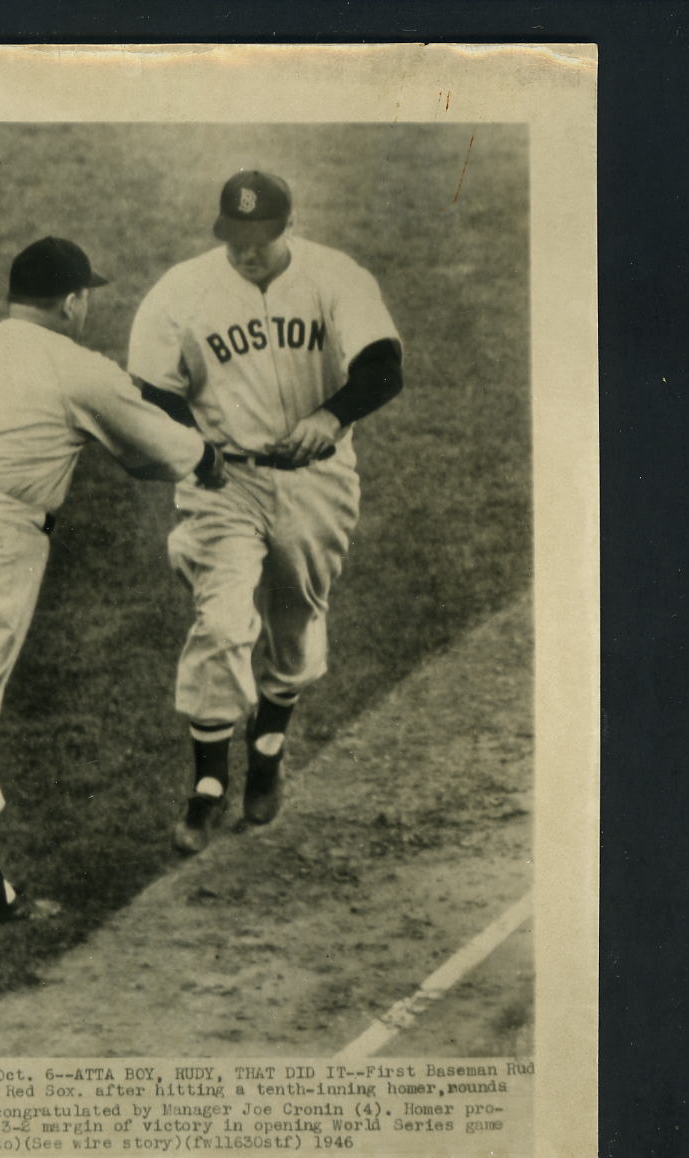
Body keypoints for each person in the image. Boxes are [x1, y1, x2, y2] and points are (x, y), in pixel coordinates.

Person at [0, 236, 226, 975]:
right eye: (85, 294)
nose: (86, 304)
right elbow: (155, 446)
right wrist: (207, 458)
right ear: (70, 301)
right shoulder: (73, 364)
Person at [127, 170, 403, 854]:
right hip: (225, 484)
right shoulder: (180, 292)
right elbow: (147, 391)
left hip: (318, 479)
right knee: (220, 621)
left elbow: (384, 364)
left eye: (262, 238)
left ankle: (270, 743)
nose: (248, 252)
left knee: (298, 619)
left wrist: (333, 413)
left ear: (288, 226)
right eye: (236, 238)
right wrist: (195, 449)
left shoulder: (336, 277)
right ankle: (208, 784)